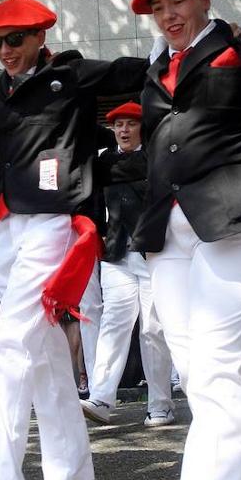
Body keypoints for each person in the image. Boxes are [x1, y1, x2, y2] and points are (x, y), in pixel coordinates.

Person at [0, 0, 145, 480]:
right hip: (9, 223)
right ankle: (69, 470)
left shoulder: (71, 74)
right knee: (45, 355)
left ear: (39, 36)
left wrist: (216, 45)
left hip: (58, 219)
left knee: (8, 347)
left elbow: (141, 70)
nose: (5, 51)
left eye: (15, 40)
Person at [125, 0, 241, 480]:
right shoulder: (153, 69)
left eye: (178, 2)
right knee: (201, 377)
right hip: (168, 230)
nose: (168, 15)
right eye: (158, 7)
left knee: (216, 370)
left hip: (235, 217)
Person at [79, 101, 173, 428]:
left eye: (130, 124)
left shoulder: (155, 158)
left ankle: (160, 403)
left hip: (152, 252)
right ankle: (102, 397)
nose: (123, 130)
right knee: (114, 325)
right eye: (118, 125)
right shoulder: (103, 161)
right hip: (115, 253)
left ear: (141, 128)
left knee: (152, 328)